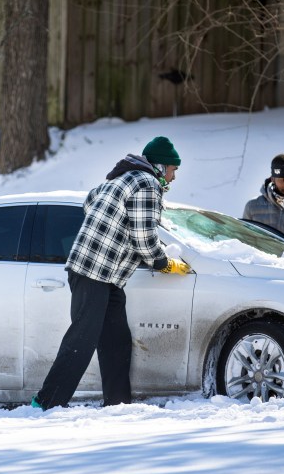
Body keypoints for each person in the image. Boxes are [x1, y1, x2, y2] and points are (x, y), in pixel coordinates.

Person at [32, 136, 192, 410]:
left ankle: (118, 405)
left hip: (105, 276)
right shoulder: (147, 183)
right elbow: (144, 237)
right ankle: (45, 402)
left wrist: (110, 228)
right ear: (161, 167)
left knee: (116, 340)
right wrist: (163, 263)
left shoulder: (118, 180)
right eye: (173, 170)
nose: (174, 177)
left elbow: (90, 201)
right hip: (94, 273)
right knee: (82, 339)